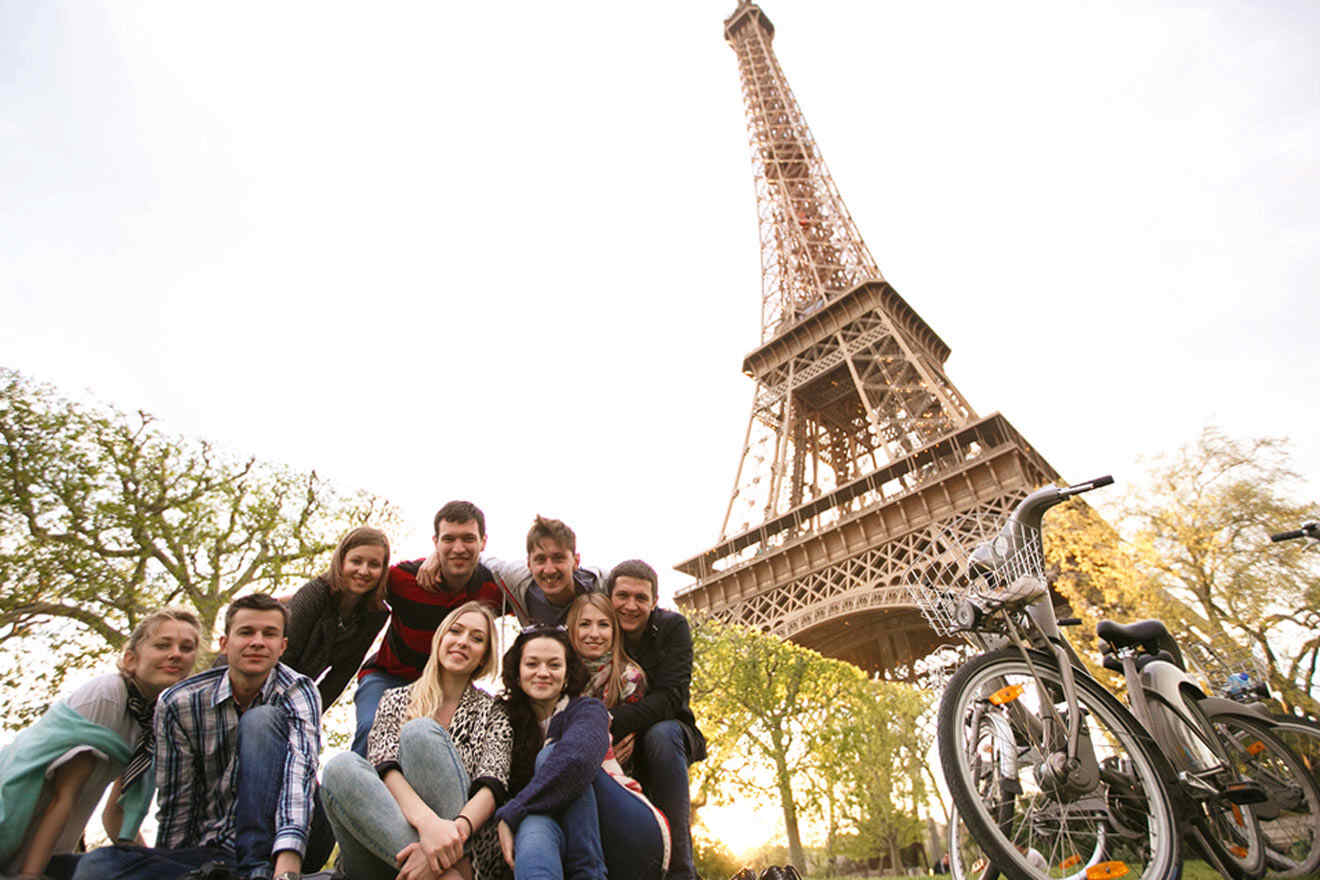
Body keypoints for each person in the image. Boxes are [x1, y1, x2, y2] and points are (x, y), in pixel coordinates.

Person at [72, 593, 331, 880]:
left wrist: (287, 868)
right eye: (246, 632)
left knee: (261, 719)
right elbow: (178, 801)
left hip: (288, 843)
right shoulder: (179, 702)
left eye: (269, 634)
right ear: (224, 643)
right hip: (216, 850)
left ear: (282, 646)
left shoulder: (296, 690)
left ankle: (256, 870)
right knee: (98, 866)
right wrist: (173, 863)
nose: (257, 641)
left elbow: (300, 772)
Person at [0, 609, 201, 880]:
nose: (176, 653)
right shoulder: (107, 697)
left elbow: (115, 815)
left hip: (49, 850)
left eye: (186, 648)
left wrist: (151, 865)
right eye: (162, 645)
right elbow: (64, 794)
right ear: (131, 659)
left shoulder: (155, 719)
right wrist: (30, 874)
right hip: (16, 831)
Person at [320, 601, 511, 880]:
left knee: (420, 733)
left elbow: (492, 785)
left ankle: (444, 870)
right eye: (455, 632)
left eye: (477, 638)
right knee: (340, 766)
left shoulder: (494, 711)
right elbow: (383, 768)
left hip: (465, 849)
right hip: (384, 852)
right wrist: (428, 826)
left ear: (484, 656)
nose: (463, 642)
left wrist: (445, 838)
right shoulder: (394, 699)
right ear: (440, 639)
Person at [492, 625, 668, 880]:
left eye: (554, 665)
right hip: (556, 834)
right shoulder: (504, 721)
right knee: (533, 826)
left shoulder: (588, 710)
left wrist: (513, 812)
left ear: (566, 675)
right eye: (532, 664)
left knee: (552, 756)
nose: (543, 672)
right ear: (517, 673)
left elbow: (576, 759)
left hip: (630, 833)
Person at [352, 501, 508, 755]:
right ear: (435, 542)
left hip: (449, 687)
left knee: (451, 745)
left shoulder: (494, 590)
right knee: (373, 729)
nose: (458, 548)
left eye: (468, 539)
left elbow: (542, 593)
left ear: (483, 541)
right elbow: (343, 583)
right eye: (449, 539)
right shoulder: (404, 579)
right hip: (391, 677)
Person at [605, 560, 705, 880]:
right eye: (622, 596)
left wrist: (610, 723)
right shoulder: (598, 631)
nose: (631, 605)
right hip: (609, 741)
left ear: (654, 602)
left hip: (671, 733)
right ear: (609, 598)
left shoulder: (673, 628)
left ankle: (680, 872)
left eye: (641, 598)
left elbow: (671, 697)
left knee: (660, 736)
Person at [418, 515, 603, 627]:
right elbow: (479, 556)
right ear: (528, 564)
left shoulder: (601, 586)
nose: (549, 569)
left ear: (576, 561)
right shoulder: (516, 579)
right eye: (539, 559)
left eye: (558, 558)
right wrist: (436, 555)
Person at [280, 526, 391, 713]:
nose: (364, 571)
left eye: (374, 564)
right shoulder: (314, 594)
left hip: (299, 696)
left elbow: (342, 674)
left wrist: (311, 714)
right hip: (258, 683)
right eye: (356, 561)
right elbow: (284, 656)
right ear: (341, 562)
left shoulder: (375, 615)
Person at [565, 594, 645, 711]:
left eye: (603, 625)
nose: (594, 634)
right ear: (571, 628)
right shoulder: (557, 672)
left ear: (614, 630)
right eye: (584, 624)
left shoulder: (629, 677)